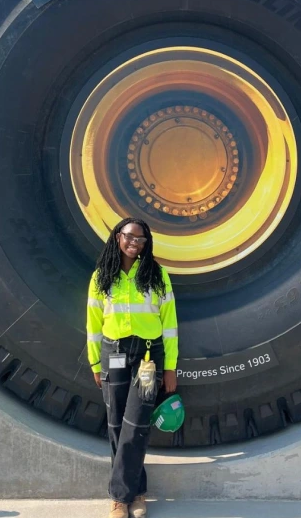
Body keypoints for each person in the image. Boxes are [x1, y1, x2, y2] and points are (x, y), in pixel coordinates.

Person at [86, 217, 179, 518]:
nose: (134, 243)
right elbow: (93, 324)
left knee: (136, 423)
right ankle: (136, 493)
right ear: (117, 237)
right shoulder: (102, 277)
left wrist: (171, 368)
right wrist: (95, 362)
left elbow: (170, 325)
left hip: (148, 358)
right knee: (115, 423)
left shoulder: (157, 275)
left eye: (140, 239)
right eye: (129, 236)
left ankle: (119, 498)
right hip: (113, 353)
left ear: (146, 243)